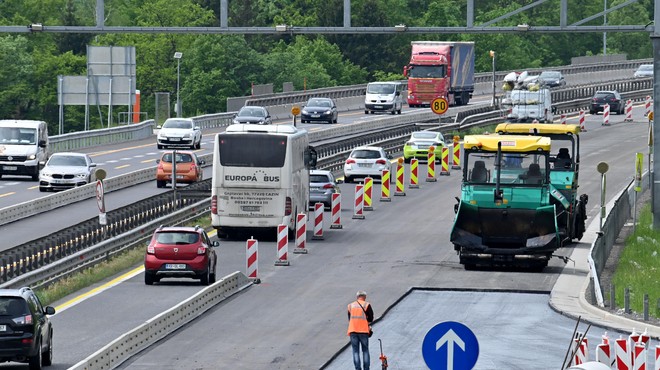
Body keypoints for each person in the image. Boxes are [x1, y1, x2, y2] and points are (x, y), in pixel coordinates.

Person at [347, 290, 374, 370]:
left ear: (357, 297)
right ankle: (366, 368)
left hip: (353, 331)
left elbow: (350, 319)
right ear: (364, 297)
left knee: (355, 351)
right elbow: (371, 318)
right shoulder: (367, 305)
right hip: (363, 331)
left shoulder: (350, 306)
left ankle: (357, 368)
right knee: (365, 350)